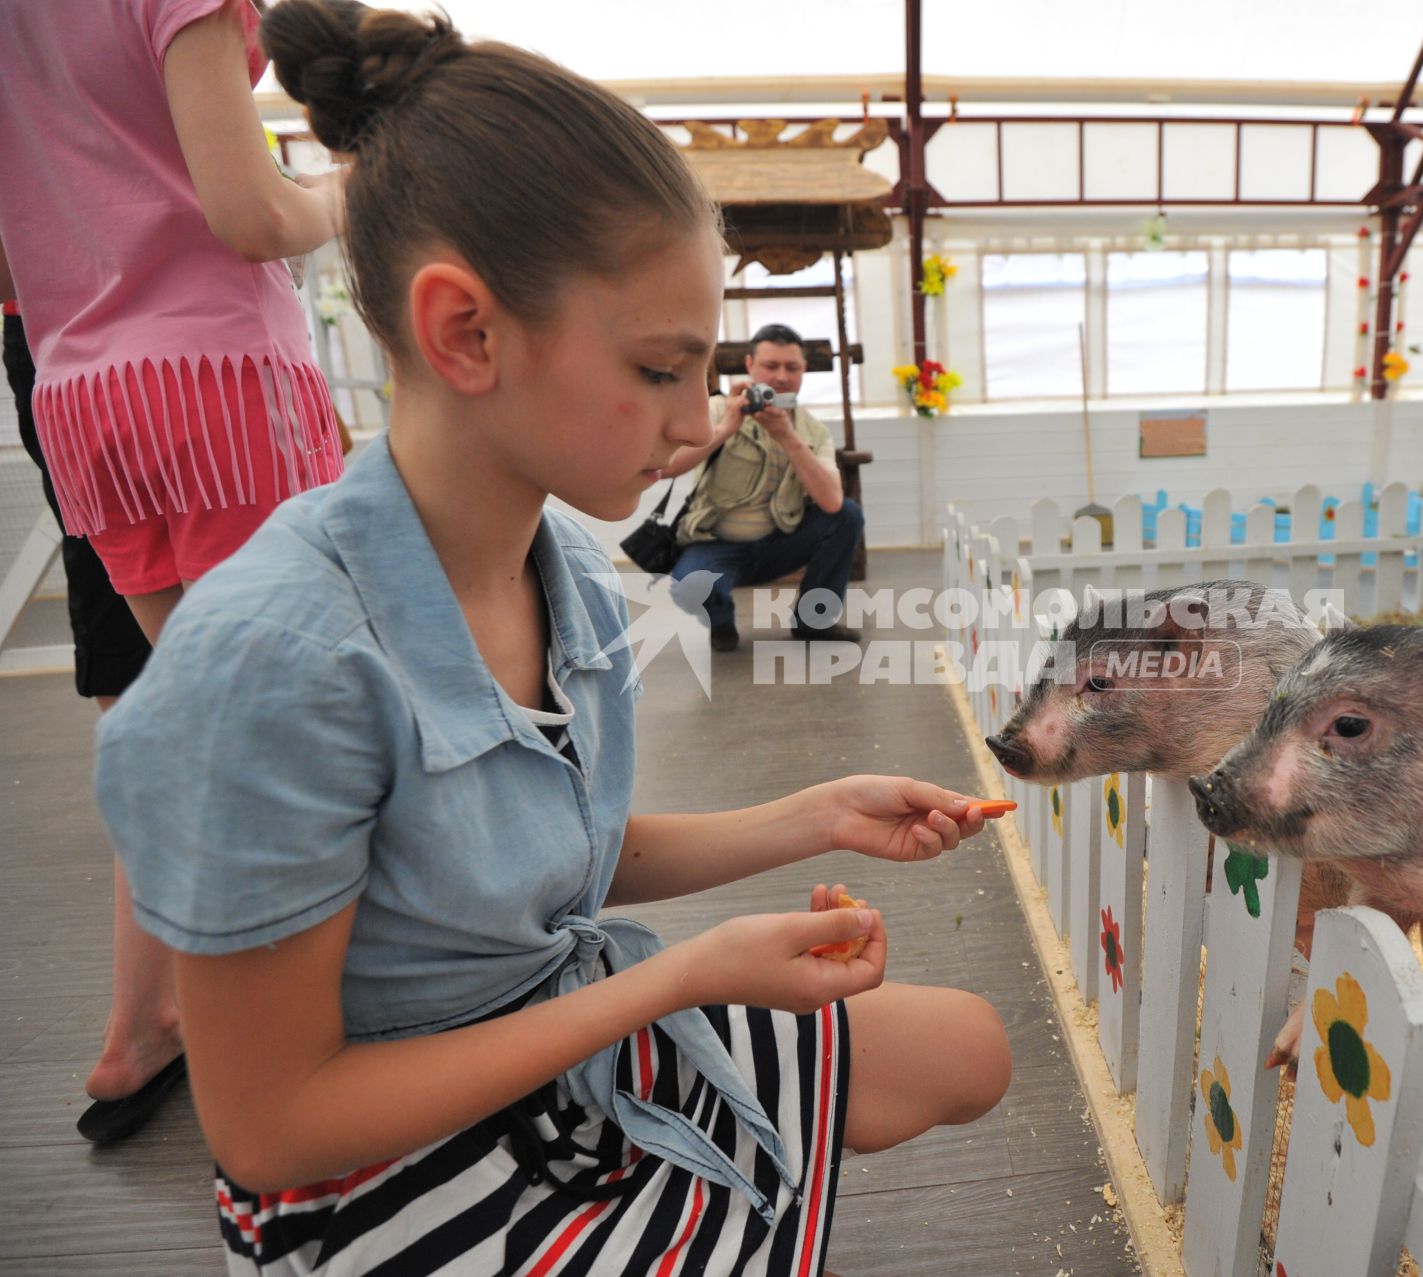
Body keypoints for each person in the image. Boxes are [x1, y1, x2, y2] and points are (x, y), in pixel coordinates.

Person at [92, 5, 1012, 1273]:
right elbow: (270, 1127)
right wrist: (679, 977)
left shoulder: (560, 564)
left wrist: (818, 813)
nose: (695, 424)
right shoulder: (277, 664)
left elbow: (535, 856)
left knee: (972, 1045)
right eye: (657, 371)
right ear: (466, 331)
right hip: (382, 1159)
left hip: (551, 1020)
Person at [0, 0, 347, 1142]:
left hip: (82, 400)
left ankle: (168, 1022)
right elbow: (250, 216)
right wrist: (351, 189)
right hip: (220, 380)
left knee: (196, 722)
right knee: (319, 724)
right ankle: (330, 1041)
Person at [660, 323, 864, 651]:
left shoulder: (812, 431)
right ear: (749, 365)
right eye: (771, 366)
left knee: (848, 516)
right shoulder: (715, 410)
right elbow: (666, 466)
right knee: (689, 586)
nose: (781, 377)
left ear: (803, 372)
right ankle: (720, 620)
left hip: (781, 540)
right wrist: (727, 426)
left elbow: (832, 503)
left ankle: (815, 622)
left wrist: (788, 437)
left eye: (792, 368)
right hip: (716, 543)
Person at [3, 302, 154, 706]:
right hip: (56, 322)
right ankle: (142, 746)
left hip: (169, 314)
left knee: (102, 537)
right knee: (98, 538)